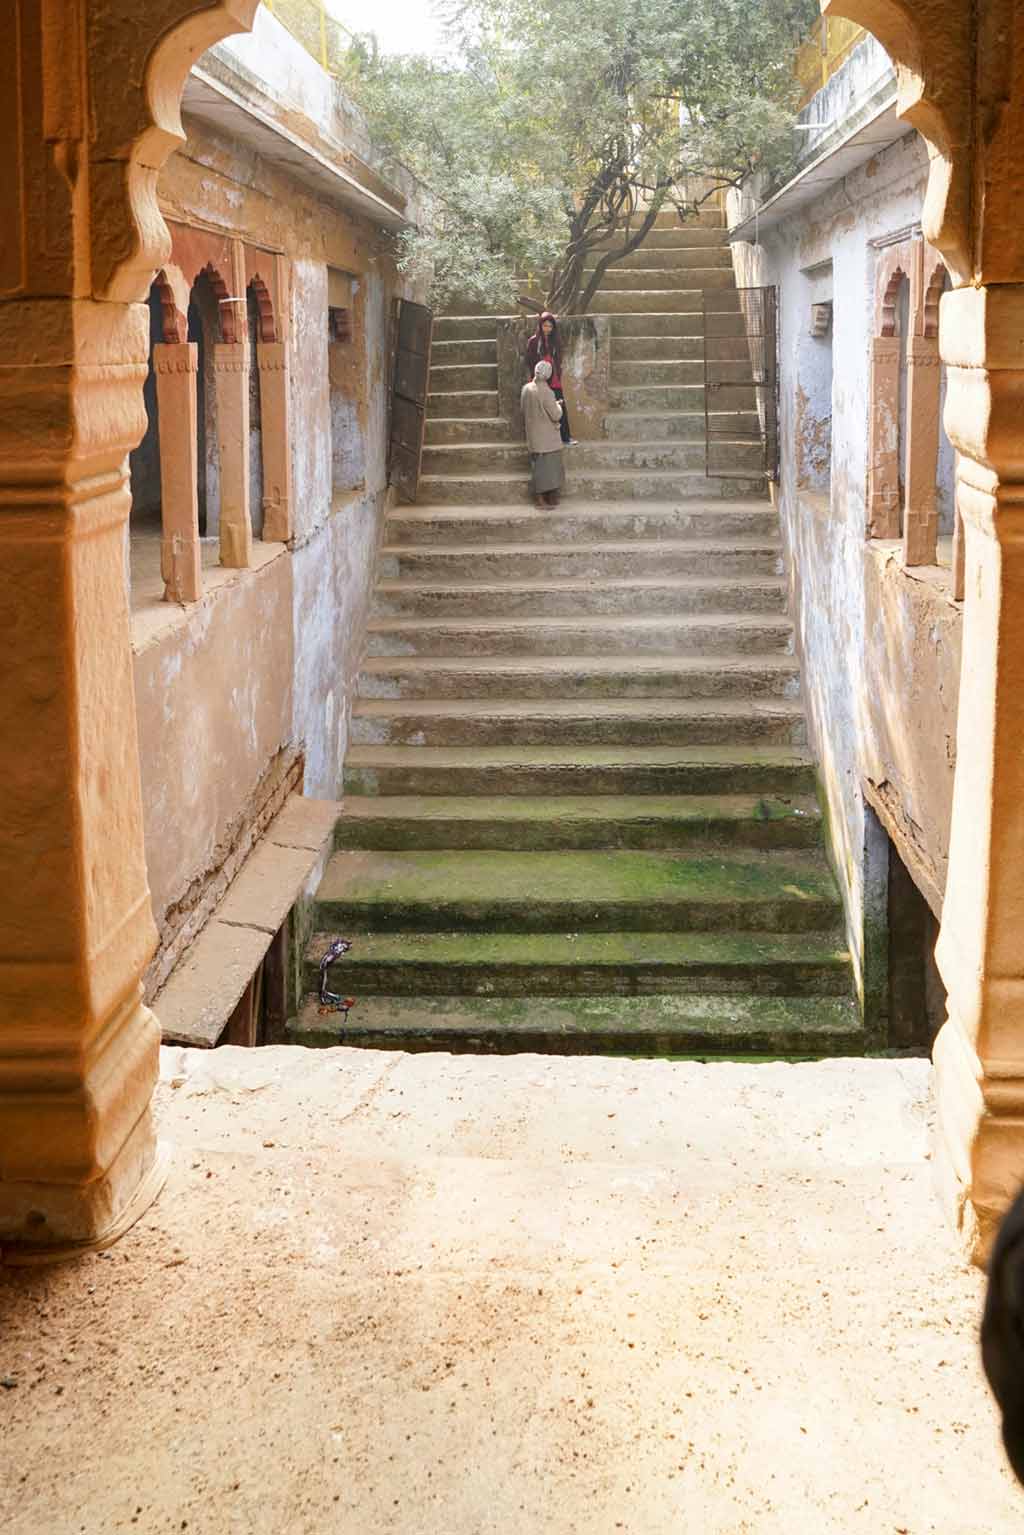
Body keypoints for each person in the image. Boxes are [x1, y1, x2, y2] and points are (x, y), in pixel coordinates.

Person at [521, 359, 564, 509]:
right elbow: (556, 415)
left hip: (533, 435)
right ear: (548, 375)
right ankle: (545, 499)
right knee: (550, 469)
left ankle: (544, 498)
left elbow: (524, 409)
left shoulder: (526, 389)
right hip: (548, 438)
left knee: (538, 468)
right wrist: (559, 406)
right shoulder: (547, 392)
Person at [525, 311, 574, 445]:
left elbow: (558, 360)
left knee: (560, 406)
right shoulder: (533, 341)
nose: (547, 329)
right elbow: (530, 362)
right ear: (540, 326)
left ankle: (566, 437)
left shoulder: (556, 341)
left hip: (554, 379)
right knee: (539, 410)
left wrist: (556, 373)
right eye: (545, 326)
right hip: (539, 378)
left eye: (550, 326)